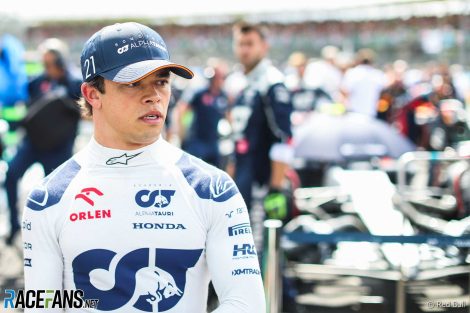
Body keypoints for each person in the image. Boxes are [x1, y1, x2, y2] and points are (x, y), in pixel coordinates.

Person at [22, 22, 265, 313]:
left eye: (161, 81)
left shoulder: (212, 188)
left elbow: (246, 303)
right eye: (133, 83)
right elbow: (43, 305)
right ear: (92, 94)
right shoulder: (47, 198)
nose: (154, 96)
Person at [5, 38, 81, 245]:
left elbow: (84, 109)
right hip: (33, 144)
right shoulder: (38, 81)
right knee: (11, 175)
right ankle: (14, 226)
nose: (48, 68)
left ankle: (56, 234)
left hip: (59, 148)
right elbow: (22, 98)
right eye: (44, 63)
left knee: (56, 193)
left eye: (51, 63)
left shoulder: (74, 83)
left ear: (61, 61)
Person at [229, 22, 293, 221]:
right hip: (242, 178)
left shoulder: (273, 84)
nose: (244, 49)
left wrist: (276, 188)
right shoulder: (242, 83)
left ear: (264, 47)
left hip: (262, 185)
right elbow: (238, 136)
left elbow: (284, 139)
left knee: (258, 248)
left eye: (250, 44)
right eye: (240, 44)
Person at [175, 58, 229, 167]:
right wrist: (182, 132)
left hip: (214, 141)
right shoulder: (199, 93)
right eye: (219, 77)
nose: (221, 80)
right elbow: (182, 109)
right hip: (197, 141)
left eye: (223, 77)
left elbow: (228, 115)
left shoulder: (223, 95)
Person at [341, 48, 386, 117]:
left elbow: (344, 92)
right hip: (371, 114)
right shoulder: (378, 74)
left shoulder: (352, 73)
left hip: (353, 113)